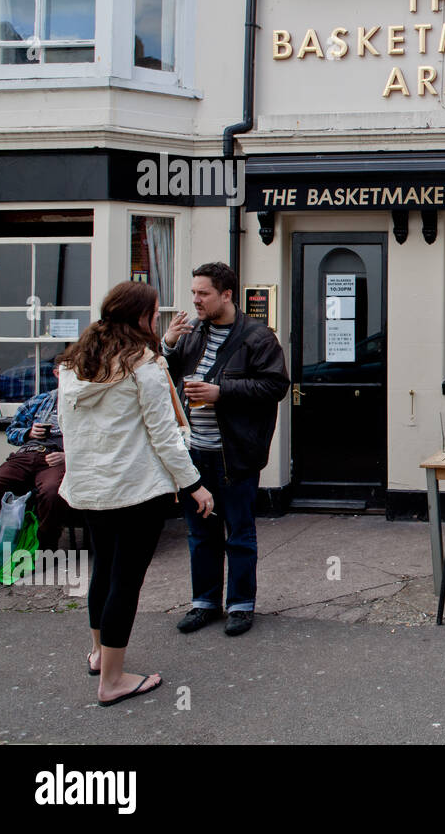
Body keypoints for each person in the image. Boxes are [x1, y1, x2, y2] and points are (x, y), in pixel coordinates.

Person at [57, 281, 214, 706]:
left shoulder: (74, 364)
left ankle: (97, 654)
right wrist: (194, 484)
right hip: (135, 491)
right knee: (125, 583)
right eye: (155, 313)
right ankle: (113, 680)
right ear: (141, 317)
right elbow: (164, 436)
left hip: (88, 490)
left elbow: (70, 431)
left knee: (103, 572)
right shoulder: (143, 364)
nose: (158, 319)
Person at [163, 262, 289, 637]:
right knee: (199, 532)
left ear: (227, 294)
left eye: (203, 293)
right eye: (194, 293)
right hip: (194, 451)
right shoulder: (191, 333)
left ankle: (240, 605)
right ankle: (203, 602)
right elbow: (162, 381)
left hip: (234, 452)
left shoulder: (257, 337)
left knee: (238, 532)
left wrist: (223, 392)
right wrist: (167, 345)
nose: (196, 300)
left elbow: (275, 386)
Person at [0, 373, 71, 552]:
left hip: (56, 457)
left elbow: (94, 439)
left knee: (51, 493)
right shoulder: (40, 401)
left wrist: (68, 455)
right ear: (57, 373)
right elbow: (11, 432)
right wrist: (28, 433)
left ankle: (46, 548)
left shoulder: (86, 403)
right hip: (27, 453)